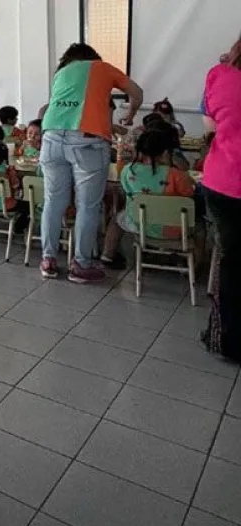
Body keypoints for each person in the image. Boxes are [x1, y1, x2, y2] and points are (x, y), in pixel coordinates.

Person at [39, 42, 143, 283]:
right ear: (93, 57)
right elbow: (137, 93)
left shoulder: (61, 73)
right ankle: (81, 264)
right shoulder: (102, 67)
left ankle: (48, 260)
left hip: (51, 137)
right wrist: (130, 114)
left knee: (53, 201)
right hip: (86, 141)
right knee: (87, 205)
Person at [201, 38, 241, 361]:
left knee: (230, 260)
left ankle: (227, 336)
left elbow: (209, 125)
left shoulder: (219, 75)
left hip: (223, 181)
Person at [101, 129, 194, 269]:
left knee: (116, 219)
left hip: (139, 224)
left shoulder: (128, 171)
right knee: (199, 227)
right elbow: (189, 195)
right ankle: (193, 266)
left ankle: (107, 255)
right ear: (165, 152)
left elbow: (127, 192)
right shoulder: (177, 175)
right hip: (174, 228)